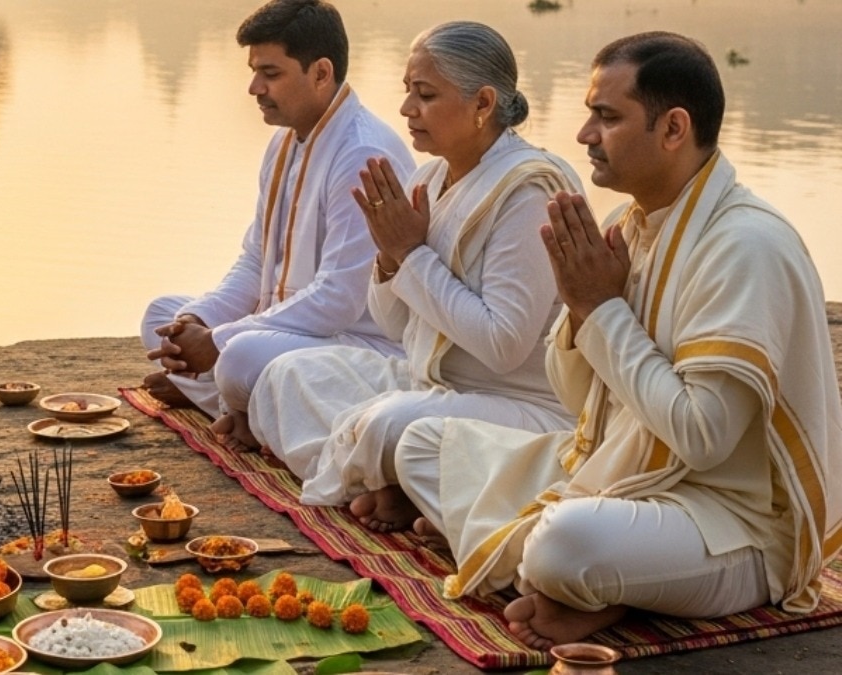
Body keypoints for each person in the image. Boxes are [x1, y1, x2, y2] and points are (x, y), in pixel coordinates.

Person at [394, 31, 842, 650]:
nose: (584, 135)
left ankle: (570, 576)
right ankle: (580, 581)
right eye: (589, 115)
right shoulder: (625, 225)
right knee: (422, 445)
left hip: (727, 524)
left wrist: (600, 310)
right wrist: (582, 318)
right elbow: (582, 401)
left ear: (674, 128)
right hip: (622, 475)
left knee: (565, 543)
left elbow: (703, 438)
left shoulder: (745, 247)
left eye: (607, 117)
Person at [247, 21, 582, 530]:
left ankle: (388, 481)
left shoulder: (529, 191)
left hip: (520, 407)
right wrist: (388, 260)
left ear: (483, 105)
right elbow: (396, 327)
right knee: (286, 376)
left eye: (424, 95)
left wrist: (411, 255)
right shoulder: (430, 177)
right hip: (431, 382)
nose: (406, 109)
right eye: (408, 92)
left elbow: (503, 343)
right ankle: (394, 485)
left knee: (389, 426)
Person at [138, 0, 414, 445]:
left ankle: (237, 405)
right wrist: (197, 322)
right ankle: (238, 404)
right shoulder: (285, 142)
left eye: (271, 74)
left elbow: (338, 300)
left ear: (321, 73)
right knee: (162, 316)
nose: (253, 88)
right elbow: (255, 260)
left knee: (240, 355)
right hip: (284, 333)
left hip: (359, 348)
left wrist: (220, 340)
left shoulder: (362, 154)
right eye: (253, 72)